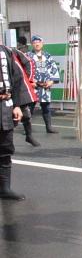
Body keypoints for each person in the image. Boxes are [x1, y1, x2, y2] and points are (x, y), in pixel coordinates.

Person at [0, 43, 35, 200]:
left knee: (5, 147)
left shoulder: (6, 51)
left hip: (5, 105)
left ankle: (4, 188)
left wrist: (17, 105)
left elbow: (17, 78)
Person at [24, 35, 60, 136]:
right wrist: (30, 82)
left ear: (42, 43)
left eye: (38, 42)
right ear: (32, 44)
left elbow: (54, 69)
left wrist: (51, 81)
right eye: (34, 42)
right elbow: (23, 71)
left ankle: (49, 127)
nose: (37, 44)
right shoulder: (27, 56)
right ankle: (27, 129)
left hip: (45, 86)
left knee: (46, 107)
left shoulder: (47, 56)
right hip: (33, 86)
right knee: (30, 107)